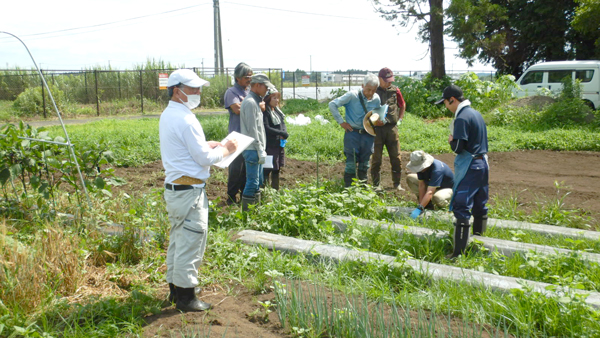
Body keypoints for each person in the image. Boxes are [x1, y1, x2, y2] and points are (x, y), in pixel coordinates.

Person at [160, 69, 238, 312]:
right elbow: (204, 158)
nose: (198, 92)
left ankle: (176, 289)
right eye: (193, 88)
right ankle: (186, 298)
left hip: (177, 189)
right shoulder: (185, 119)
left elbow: (188, 148)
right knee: (191, 241)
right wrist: (227, 149)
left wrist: (207, 144)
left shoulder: (171, 114)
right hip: (189, 191)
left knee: (179, 238)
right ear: (177, 90)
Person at [435, 84, 489, 258]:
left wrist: (451, 140)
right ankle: (479, 243)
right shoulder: (476, 114)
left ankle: (458, 254)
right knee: (480, 204)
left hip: (470, 166)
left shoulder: (461, 118)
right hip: (483, 164)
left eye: (446, 102)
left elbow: (458, 147)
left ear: (453, 100)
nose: (446, 107)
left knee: (461, 205)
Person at [329, 73, 381, 187]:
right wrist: (341, 122)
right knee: (351, 164)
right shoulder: (352, 96)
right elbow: (332, 104)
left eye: (374, 90)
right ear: (362, 86)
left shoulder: (376, 98)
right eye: (368, 89)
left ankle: (362, 189)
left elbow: (377, 113)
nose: (371, 93)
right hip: (353, 134)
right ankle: (349, 190)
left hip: (368, 134)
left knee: (365, 164)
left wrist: (378, 120)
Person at [240, 73, 275, 211]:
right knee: (252, 183)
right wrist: (259, 148)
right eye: (265, 87)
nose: (267, 90)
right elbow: (252, 129)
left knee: (257, 182)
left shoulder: (255, 101)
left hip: (257, 148)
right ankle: (247, 215)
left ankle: (255, 212)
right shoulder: (250, 103)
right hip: (252, 149)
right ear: (257, 85)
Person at [371, 67, 406, 192]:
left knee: (396, 157)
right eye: (386, 80)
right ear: (379, 79)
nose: (389, 83)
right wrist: (373, 120)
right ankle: (376, 185)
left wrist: (400, 119)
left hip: (391, 128)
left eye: (390, 80)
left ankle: (397, 184)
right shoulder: (373, 90)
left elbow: (402, 105)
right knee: (376, 158)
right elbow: (367, 108)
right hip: (377, 130)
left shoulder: (395, 90)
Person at [223, 62, 252, 205]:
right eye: (246, 76)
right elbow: (237, 109)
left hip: (249, 134)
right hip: (237, 135)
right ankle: (231, 197)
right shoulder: (231, 92)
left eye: (250, 76)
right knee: (236, 167)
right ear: (237, 77)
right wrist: (255, 105)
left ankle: (243, 195)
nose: (249, 79)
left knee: (246, 167)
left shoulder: (249, 92)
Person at [405, 150, 454, 219]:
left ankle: (450, 208)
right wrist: (421, 205)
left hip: (446, 189)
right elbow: (421, 185)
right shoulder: (421, 168)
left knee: (438, 197)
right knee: (410, 178)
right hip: (431, 187)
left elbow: (430, 192)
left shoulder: (437, 169)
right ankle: (427, 204)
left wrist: (420, 208)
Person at [262, 87, 288, 190]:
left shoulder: (277, 112)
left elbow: (282, 123)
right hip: (270, 144)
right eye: (274, 98)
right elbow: (267, 128)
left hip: (279, 144)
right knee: (268, 168)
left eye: (278, 98)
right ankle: (265, 190)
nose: (277, 101)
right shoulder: (266, 112)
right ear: (268, 99)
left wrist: (284, 132)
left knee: (277, 168)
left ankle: (275, 190)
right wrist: (280, 132)